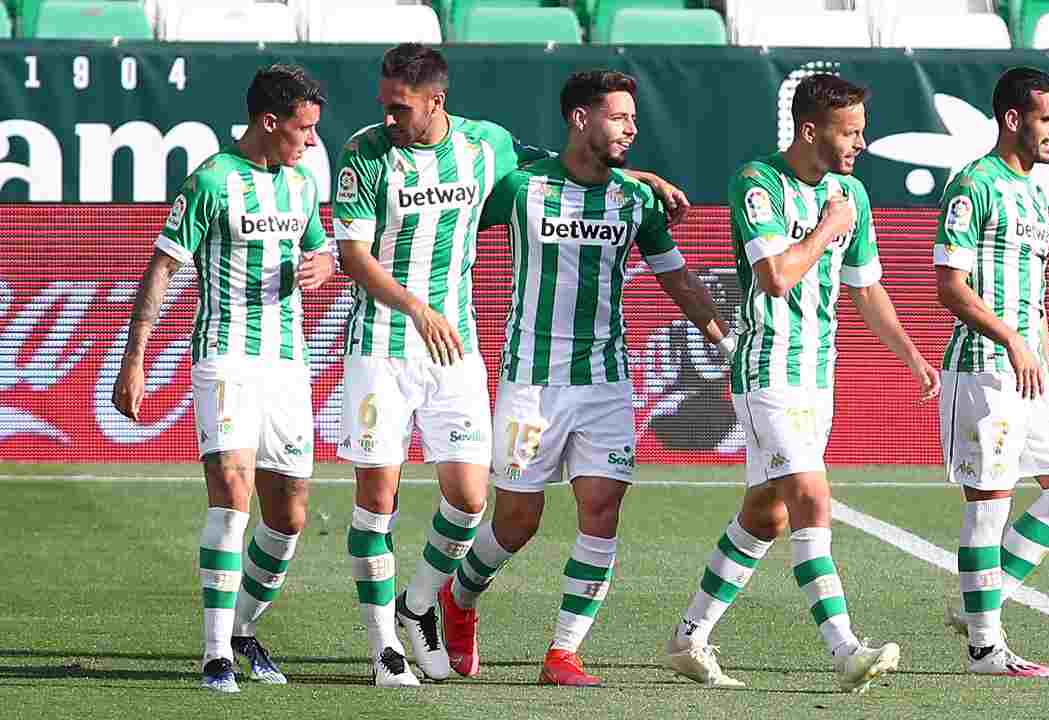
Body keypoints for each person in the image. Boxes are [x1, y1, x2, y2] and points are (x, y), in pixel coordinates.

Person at [332, 46, 689, 687]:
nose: (387, 115)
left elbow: (567, 163)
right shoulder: (363, 151)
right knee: (377, 499)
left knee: (471, 501)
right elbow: (354, 254)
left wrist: (643, 179)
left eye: (400, 106)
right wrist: (416, 307)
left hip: (457, 348)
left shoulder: (488, 145)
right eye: (385, 103)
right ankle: (385, 647)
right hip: (382, 344)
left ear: (435, 100)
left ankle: (419, 605)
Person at [435, 69, 732, 688]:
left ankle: (563, 652)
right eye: (619, 117)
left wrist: (726, 342)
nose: (632, 128)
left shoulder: (635, 200)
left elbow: (676, 276)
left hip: (605, 381)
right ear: (580, 118)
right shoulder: (520, 190)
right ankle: (457, 601)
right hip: (531, 384)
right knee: (517, 522)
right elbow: (451, 228)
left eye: (633, 118)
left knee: (601, 507)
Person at [663, 73, 939, 694]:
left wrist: (912, 355)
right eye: (851, 132)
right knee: (813, 499)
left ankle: (688, 639)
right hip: (766, 374)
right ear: (810, 130)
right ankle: (845, 651)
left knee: (766, 517)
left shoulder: (853, 195)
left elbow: (865, 288)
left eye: (863, 132)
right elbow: (774, 277)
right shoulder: (756, 182)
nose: (861, 144)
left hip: (819, 379)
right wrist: (826, 225)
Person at [112, 65, 334, 693]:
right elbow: (162, 269)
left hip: (289, 364)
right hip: (226, 357)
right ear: (270, 122)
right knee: (234, 492)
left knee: (288, 515)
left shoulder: (299, 184)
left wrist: (320, 265)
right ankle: (214, 655)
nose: (312, 141)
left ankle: (242, 629)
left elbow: (318, 250)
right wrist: (135, 361)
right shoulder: (212, 180)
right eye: (304, 129)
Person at [934, 66, 1049, 679]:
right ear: (1012, 119)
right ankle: (984, 649)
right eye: (1048, 118)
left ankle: (980, 604)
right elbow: (950, 287)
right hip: (984, 370)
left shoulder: (1034, 193)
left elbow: (1037, 297)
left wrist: (1046, 366)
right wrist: (1010, 342)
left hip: (1032, 373)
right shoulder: (974, 185)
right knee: (989, 507)